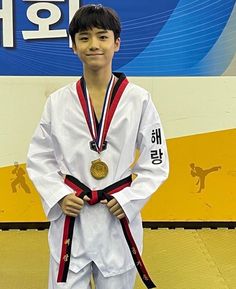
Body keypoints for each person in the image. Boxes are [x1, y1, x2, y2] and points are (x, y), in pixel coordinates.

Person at [27, 4, 169, 289]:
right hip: (73, 216)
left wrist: (130, 199)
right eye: (84, 37)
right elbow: (39, 157)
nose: (94, 45)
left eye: (102, 37)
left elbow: (156, 161)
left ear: (116, 43)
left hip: (115, 216)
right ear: (74, 46)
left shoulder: (139, 100)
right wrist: (57, 196)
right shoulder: (57, 101)